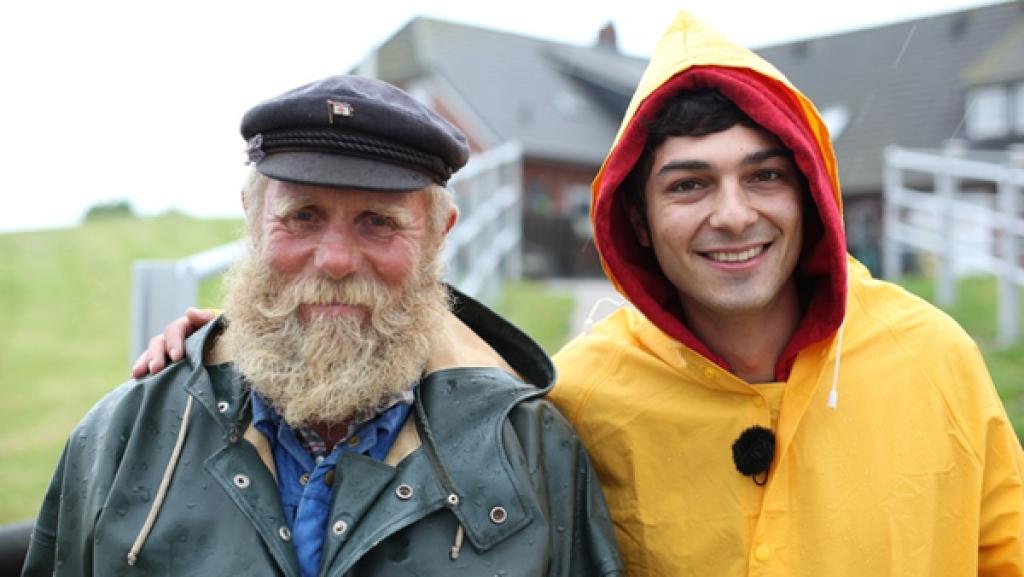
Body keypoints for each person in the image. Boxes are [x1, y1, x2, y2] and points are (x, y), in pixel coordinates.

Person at [131, 13, 1024, 576]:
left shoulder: (935, 358)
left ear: (812, 193)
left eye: (765, 176)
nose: (733, 214)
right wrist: (236, 338)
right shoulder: (580, 398)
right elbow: (389, 327)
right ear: (633, 217)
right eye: (688, 185)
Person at [22, 75, 622, 577]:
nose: (335, 260)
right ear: (254, 222)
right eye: (302, 216)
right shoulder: (124, 436)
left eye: (377, 223)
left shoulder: (535, 452)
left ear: (440, 236)